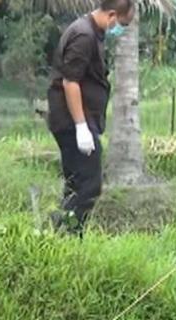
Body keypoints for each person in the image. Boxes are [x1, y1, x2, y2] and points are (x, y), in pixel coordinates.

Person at [46, 0, 135, 236]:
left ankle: (59, 235)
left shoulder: (91, 32)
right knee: (90, 186)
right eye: (122, 24)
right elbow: (70, 82)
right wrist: (81, 127)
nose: (120, 30)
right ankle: (68, 234)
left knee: (76, 184)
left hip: (77, 121)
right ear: (113, 15)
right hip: (73, 122)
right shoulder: (84, 35)